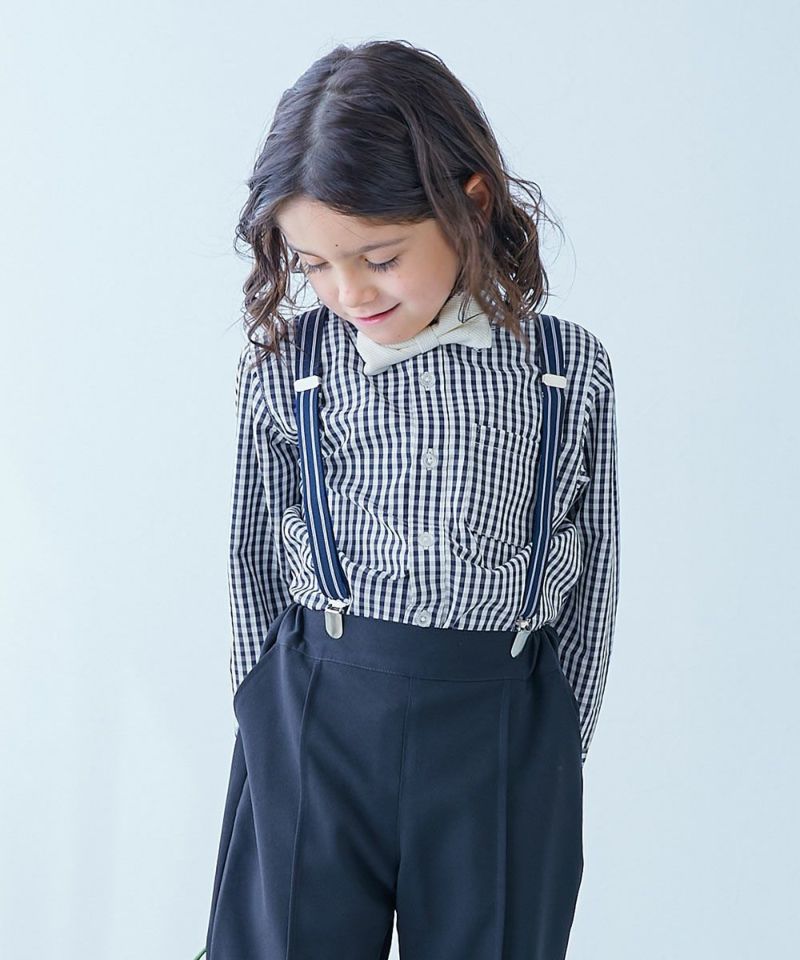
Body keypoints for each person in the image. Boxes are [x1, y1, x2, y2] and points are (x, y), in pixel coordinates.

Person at [202, 38, 620, 960]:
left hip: (498, 734)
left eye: (380, 257)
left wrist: (556, 741)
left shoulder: (566, 370)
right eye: (313, 264)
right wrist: (265, 719)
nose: (347, 290)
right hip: (317, 724)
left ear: (470, 204)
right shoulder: (289, 368)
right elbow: (250, 554)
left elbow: (594, 567)